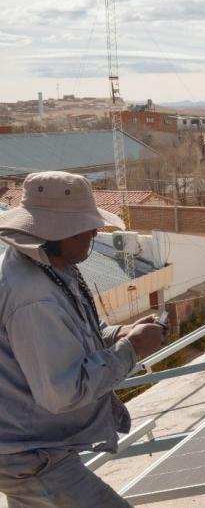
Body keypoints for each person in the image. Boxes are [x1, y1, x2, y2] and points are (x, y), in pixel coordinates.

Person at [0, 171, 167, 508]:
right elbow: (64, 391)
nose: (95, 232)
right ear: (56, 233)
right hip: (31, 458)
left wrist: (118, 334)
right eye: (86, 227)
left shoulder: (50, 264)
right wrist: (131, 350)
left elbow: (75, 339)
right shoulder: (34, 298)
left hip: (33, 449)